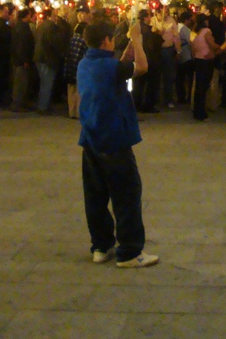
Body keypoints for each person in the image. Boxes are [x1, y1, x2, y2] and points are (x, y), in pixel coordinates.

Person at [77, 18, 158, 268]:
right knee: (127, 195)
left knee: (96, 197)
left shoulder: (86, 63)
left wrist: (127, 49)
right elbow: (142, 67)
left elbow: (119, 68)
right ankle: (130, 251)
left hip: (90, 139)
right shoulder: (109, 68)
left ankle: (101, 246)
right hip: (114, 139)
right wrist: (137, 38)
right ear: (106, 41)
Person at [190, 14, 221, 121]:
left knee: (199, 87)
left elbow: (193, 48)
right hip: (206, 62)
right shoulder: (207, 31)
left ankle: (196, 111)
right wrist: (221, 47)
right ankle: (201, 113)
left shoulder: (197, 33)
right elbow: (212, 45)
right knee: (203, 87)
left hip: (198, 60)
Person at [34, 9, 63, 113]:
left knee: (44, 82)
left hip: (39, 57)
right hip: (46, 58)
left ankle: (43, 104)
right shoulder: (51, 27)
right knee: (47, 83)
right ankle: (43, 106)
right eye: (54, 15)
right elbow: (53, 43)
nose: (56, 17)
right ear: (50, 16)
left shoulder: (41, 26)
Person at [65, 6, 91, 119]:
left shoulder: (72, 39)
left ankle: (71, 111)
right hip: (79, 68)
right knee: (79, 91)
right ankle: (79, 113)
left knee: (71, 91)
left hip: (70, 66)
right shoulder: (83, 41)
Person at [155, 6, 180, 109]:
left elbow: (176, 36)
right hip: (156, 51)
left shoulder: (171, 20)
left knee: (168, 76)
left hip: (168, 50)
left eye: (167, 11)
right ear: (157, 12)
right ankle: (155, 100)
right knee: (155, 76)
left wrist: (178, 50)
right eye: (163, 12)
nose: (165, 14)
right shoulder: (153, 20)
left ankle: (168, 99)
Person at [11, 8, 35, 113]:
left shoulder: (18, 26)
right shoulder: (23, 28)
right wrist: (25, 60)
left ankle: (20, 103)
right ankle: (17, 104)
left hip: (18, 59)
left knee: (21, 82)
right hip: (21, 60)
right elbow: (22, 45)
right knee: (20, 83)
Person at [175, 11, 194, 105]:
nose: (191, 22)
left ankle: (180, 97)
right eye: (190, 20)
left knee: (179, 79)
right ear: (186, 20)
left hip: (178, 56)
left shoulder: (176, 26)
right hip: (186, 56)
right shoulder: (185, 29)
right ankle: (188, 97)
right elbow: (191, 42)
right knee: (189, 78)